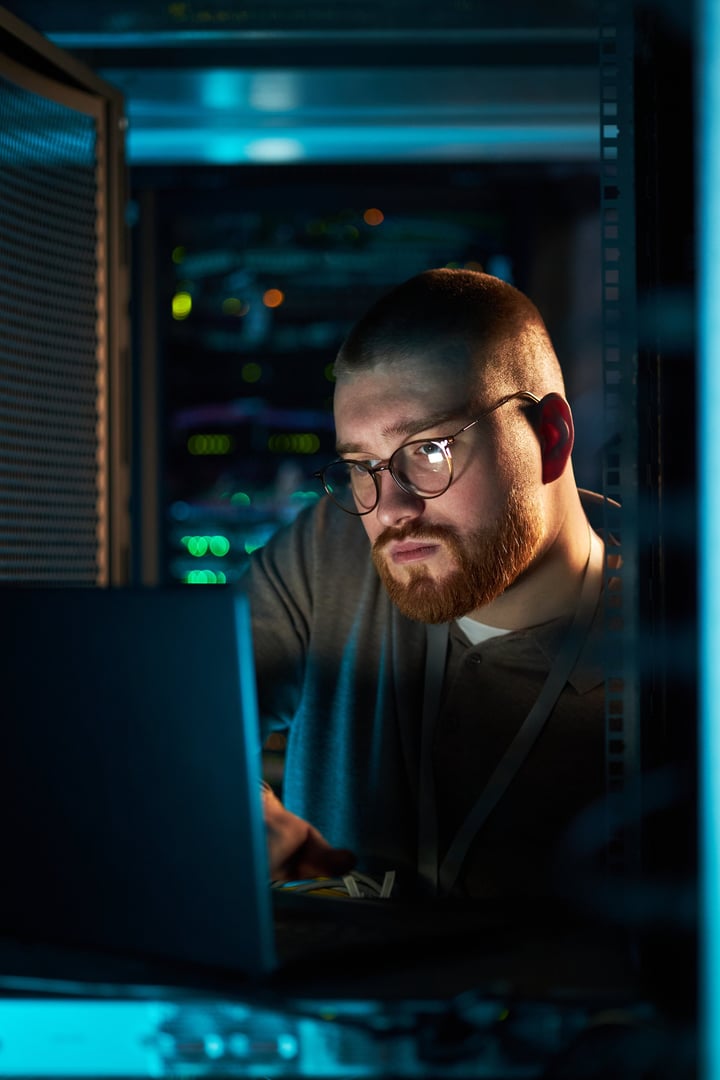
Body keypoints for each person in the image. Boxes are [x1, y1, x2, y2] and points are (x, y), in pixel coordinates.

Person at [248, 267, 611, 903]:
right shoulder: (330, 550)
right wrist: (285, 855)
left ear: (549, 438)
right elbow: (170, 723)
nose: (388, 509)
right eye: (362, 466)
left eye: (430, 449)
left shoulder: (678, 638)